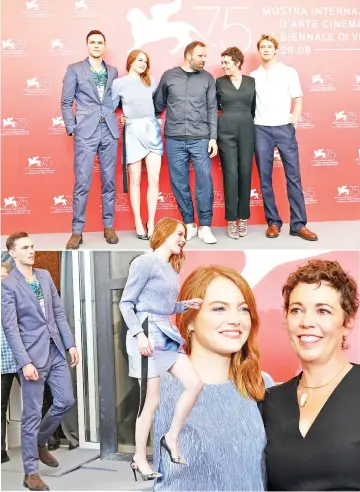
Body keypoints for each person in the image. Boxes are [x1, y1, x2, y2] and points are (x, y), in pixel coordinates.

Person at [153, 265, 274, 491]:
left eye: (243, 309)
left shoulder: (261, 384)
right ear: (189, 321)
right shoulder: (160, 388)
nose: (235, 319)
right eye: (219, 308)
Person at [261, 259, 360, 491]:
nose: (307, 322)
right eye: (297, 310)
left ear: (347, 322)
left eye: (323, 311)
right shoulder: (268, 401)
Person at [119, 217, 204, 481]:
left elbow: (164, 306)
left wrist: (185, 305)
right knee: (151, 402)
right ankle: (139, 459)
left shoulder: (171, 268)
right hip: (147, 334)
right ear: (164, 233)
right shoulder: (145, 262)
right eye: (179, 234)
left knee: (195, 384)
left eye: (184, 236)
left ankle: (171, 436)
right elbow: (126, 303)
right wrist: (139, 335)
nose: (183, 239)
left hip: (167, 332)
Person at [1, 232, 79, 492]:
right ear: (13, 253)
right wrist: (24, 362)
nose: (31, 251)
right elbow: (10, 328)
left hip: (55, 349)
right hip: (32, 356)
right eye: (25, 247)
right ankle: (31, 473)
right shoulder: (8, 285)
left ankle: (40, 441)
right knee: (31, 414)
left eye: (32, 246)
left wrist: (70, 344)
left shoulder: (44, 276)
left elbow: (57, 313)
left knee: (66, 400)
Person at [250, 35, 318, 241]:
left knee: (294, 177)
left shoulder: (288, 71)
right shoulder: (253, 76)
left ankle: (298, 224)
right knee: (265, 179)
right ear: (259, 50)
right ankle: (273, 222)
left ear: (276, 50)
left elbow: (297, 99)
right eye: (263, 46)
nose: (266, 49)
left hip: (284, 128)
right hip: (260, 129)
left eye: (270, 46)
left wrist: (294, 123)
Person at [153, 41, 218, 245]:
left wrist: (213, 137)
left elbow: (211, 109)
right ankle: (189, 224)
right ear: (189, 55)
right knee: (179, 182)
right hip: (174, 138)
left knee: (204, 180)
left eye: (205, 56)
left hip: (200, 138)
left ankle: (205, 226)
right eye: (200, 56)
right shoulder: (169, 76)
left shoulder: (207, 78)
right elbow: (157, 104)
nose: (204, 59)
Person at [61, 30, 120, 250]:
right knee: (82, 182)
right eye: (92, 42)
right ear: (87, 45)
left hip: (110, 131)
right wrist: (72, 128)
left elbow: (115, 99)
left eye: (100, 42)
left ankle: (109, 226)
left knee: (109, 181)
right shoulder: (74, 69)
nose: (96, 45)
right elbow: (66, 102)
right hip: (86, 131)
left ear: (105, 45)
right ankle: (77, 231)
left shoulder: (113, 71)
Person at [112, 50, 163, 240]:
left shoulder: (151, 81)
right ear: (131, 61)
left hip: (151, 130)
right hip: (132, 132)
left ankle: (151, 222)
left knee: (154, 180)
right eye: (139, 60)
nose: (143, 63)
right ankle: (138, 221)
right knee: (135, 180)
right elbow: (111, 106)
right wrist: (123, 117)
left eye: (145, 61)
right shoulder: (119, 83)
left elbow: (158, 104)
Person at [216, 47, 256, 239]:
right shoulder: (219, 82)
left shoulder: (251, 82)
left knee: (245, 173)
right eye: (222, 62)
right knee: (230, 174)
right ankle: (232, 219)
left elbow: (255, 109)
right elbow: (213, 107)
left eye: (226, 62)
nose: (223, 66)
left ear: (237, 63)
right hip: (225, 131)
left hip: (247, 130)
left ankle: (243, 218)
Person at [1, 262, 20, 464]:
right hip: (2, 361)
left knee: (38, 399)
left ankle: (45, 439)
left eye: (3, 276)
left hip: (23, 359)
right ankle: (1, 452)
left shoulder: (18, 298)